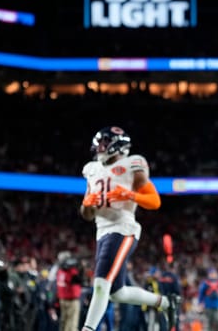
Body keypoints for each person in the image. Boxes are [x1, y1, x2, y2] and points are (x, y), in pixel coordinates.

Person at [79, 126, 181, 331]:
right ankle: (166, 303)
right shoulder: (92, 169)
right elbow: (87, 215)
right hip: (102, 231)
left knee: (100, 283)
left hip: (122, 228)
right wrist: (87, 205)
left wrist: (129, 195)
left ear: (117, 145)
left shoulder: (132, 164)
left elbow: (154, 201)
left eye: (104, 143)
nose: (99, 148)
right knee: (116, 292)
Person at [56, 251, 84, 331]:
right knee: (72, 324)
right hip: (72, 301)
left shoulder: (59, 271)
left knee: (64, 323)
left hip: (62, 299)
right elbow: (80, 280)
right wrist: (81, 267)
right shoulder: (71, 271)